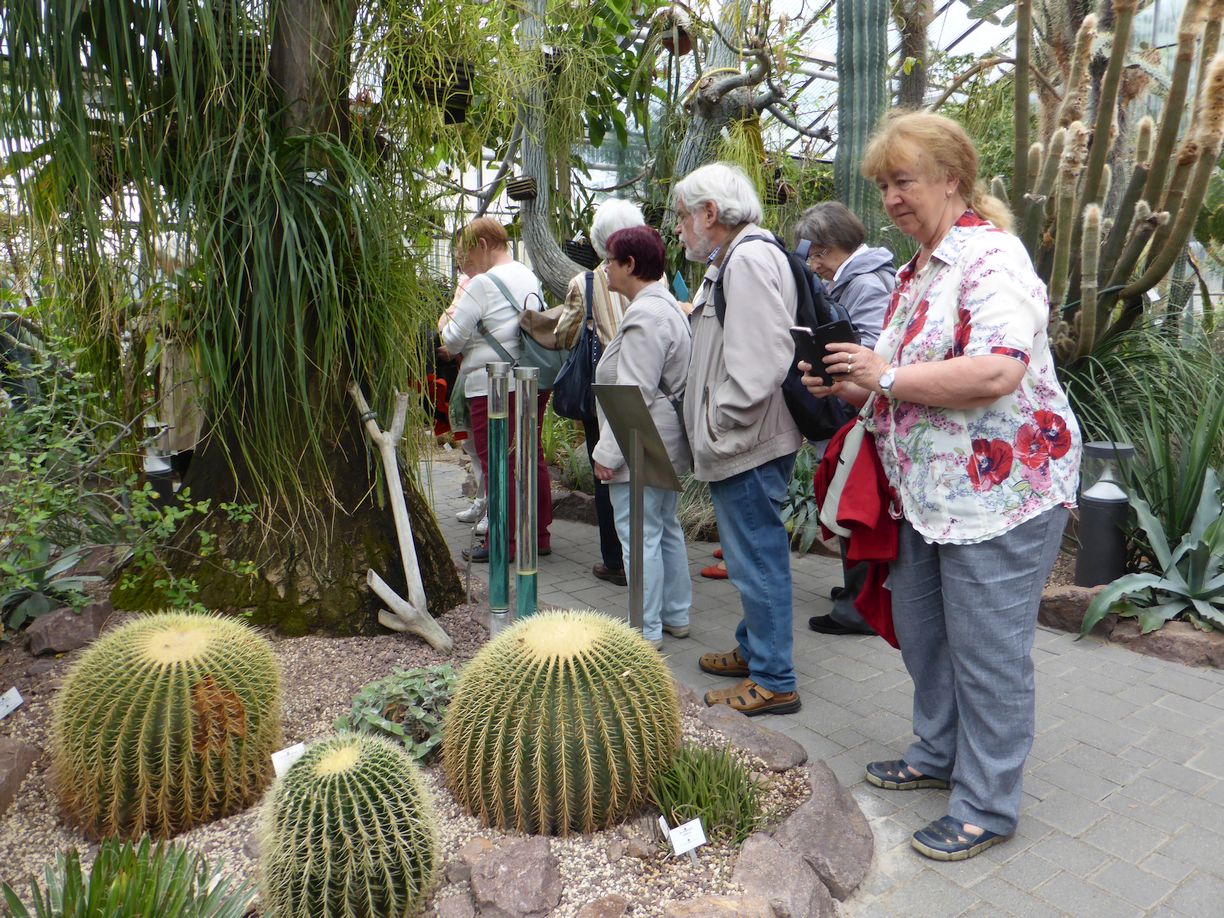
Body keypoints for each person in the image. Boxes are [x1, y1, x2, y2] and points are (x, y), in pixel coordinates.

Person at [801, 110, 1081, 860]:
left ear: (952, 180)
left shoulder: (992, 259)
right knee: (925, 632)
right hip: (927, 497)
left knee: (988, 653)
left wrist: (885, 375)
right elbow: (900, 385)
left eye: (904, 181)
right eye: (883, 186)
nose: (891, 198)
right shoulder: (917, 270)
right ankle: (937, 752)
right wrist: (849, 382)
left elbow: (996, 372)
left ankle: (987, 804)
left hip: (1001, 497)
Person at [673, 162, 803, 717]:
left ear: (710, 212)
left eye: (683, 215)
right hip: (746, 439)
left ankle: (774, 680)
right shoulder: (738, 257)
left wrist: (719, 421)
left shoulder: (746, 260)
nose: (679, 227)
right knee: (754, 555)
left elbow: (761, 362)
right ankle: (755, 652)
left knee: (757, 560)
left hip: (746, 442)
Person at [791, 202, 895, 636]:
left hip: (857, 409)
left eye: (818, 253)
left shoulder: (866, 282)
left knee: (855, 504)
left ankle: (859, 608)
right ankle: (855, 593)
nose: (814, 263)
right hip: (852, 407)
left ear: (836, 244)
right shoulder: (856, 278)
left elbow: (871, 348)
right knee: (851, 500)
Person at [590, 226, 692, 648]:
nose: (605, 269)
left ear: (630, 265)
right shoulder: (663, 306)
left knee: (639, 534)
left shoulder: (645, 315)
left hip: (642, 439)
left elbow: (633, 393)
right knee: (663, 527)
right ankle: (675, 614)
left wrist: (608, 454)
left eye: (610, 261)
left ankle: (645, 630)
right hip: (661, 438)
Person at [440, 218, 552, 561]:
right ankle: (538, 535)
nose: (463, 264)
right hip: (531, 378)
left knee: (497, 463)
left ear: (483, 245)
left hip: (493, 384)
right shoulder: (527, 275)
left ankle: (503, 542)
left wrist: (449, 326)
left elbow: (452, 338)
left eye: (464, 255)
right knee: (530, 456)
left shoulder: (482, 284)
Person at [557, 199, 647, 588]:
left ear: (597, 241)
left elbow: (564, 335)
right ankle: (645, 556)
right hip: (647, 386)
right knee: (643, 472)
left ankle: (616, 560)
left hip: (604, 393)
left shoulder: (585, 283)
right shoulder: (653, 277)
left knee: (606, 475)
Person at [437, 273, 488, 535]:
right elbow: (448, 319)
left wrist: (450, 334)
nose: (460, 258)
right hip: (465, 371)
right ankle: (482, 502)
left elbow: (454, 333)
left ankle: (490, 508)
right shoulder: (467, 279)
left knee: (484, 446)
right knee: (471, 442)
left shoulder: (482, 281)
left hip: (483, 374)